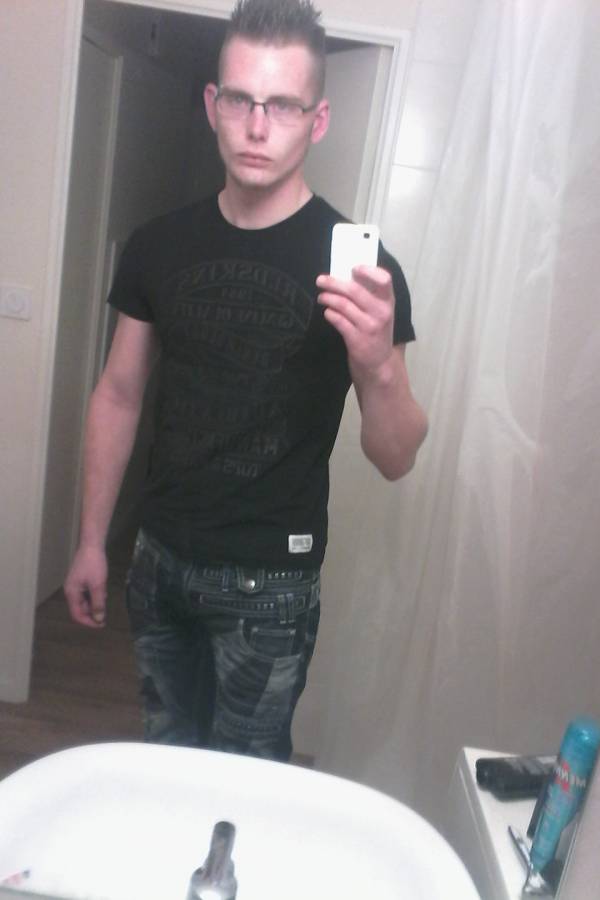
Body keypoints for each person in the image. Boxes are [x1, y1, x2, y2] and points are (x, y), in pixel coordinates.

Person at [64, 0, 428, 762]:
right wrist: (92, 540)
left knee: (246, 783)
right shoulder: (158, 246)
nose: (259, 127)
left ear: (318, 120)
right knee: (165, 755)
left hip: (272, 581)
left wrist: (379, 365)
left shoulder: (365, 271)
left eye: (283, 105)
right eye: (241, 100)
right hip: (158, 560)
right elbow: (118, 395)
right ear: (213, 104)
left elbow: (396, 456)